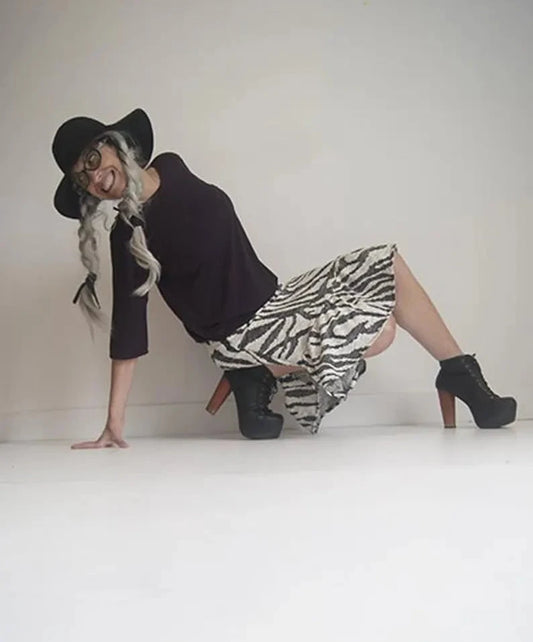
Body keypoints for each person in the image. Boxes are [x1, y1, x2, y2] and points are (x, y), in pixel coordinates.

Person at [51, 108, 517, 449]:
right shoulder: (127, 233)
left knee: (385, 262)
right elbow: (128, 331)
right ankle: (249, 369)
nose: (95, 178)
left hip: (278, 299)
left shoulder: (172, 165)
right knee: (381, 331)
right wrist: (114, 423)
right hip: (238, 334)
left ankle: (460, 375)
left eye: (93, 158)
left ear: (114, 144)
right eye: (81, 180)